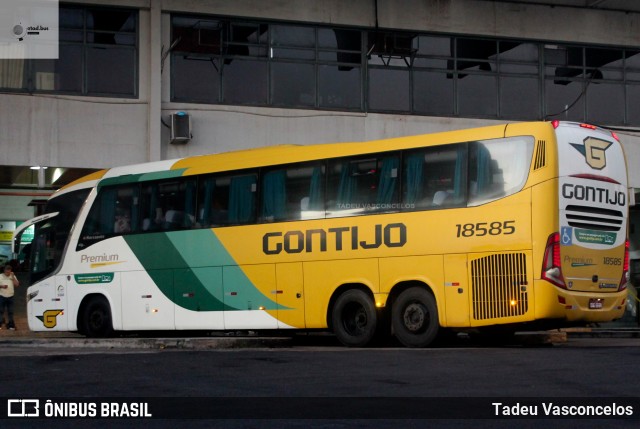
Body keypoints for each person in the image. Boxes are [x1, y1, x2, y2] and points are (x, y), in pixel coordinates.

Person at [0, 264, 19, 330]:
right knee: (1, 310)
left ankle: (11, 324)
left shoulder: (12, 276)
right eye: (7, 272)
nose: (8, 273)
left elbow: (17, 284)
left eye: (9, 272)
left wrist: (13, 277)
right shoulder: (0, 276)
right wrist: (2, 286)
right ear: (4, 270)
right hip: (2, 296)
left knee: (10, 311)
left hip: (10, 296)